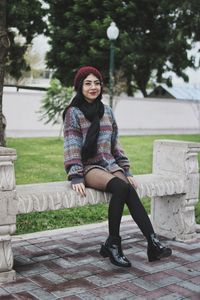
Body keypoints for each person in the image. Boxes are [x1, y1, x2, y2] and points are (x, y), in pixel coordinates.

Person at [63, 66, 172, 268]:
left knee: (128, 189)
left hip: (109, 164)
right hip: (89, 167)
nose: (93, 87)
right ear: (80, 86)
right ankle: (114, 243)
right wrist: (76, 175)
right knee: (121, 188)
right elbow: (72, 146)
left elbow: (115, 145)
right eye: (88, 83)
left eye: (97, 83)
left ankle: (152, 242)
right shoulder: (73, 113)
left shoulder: (108, 112)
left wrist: (125, 169)